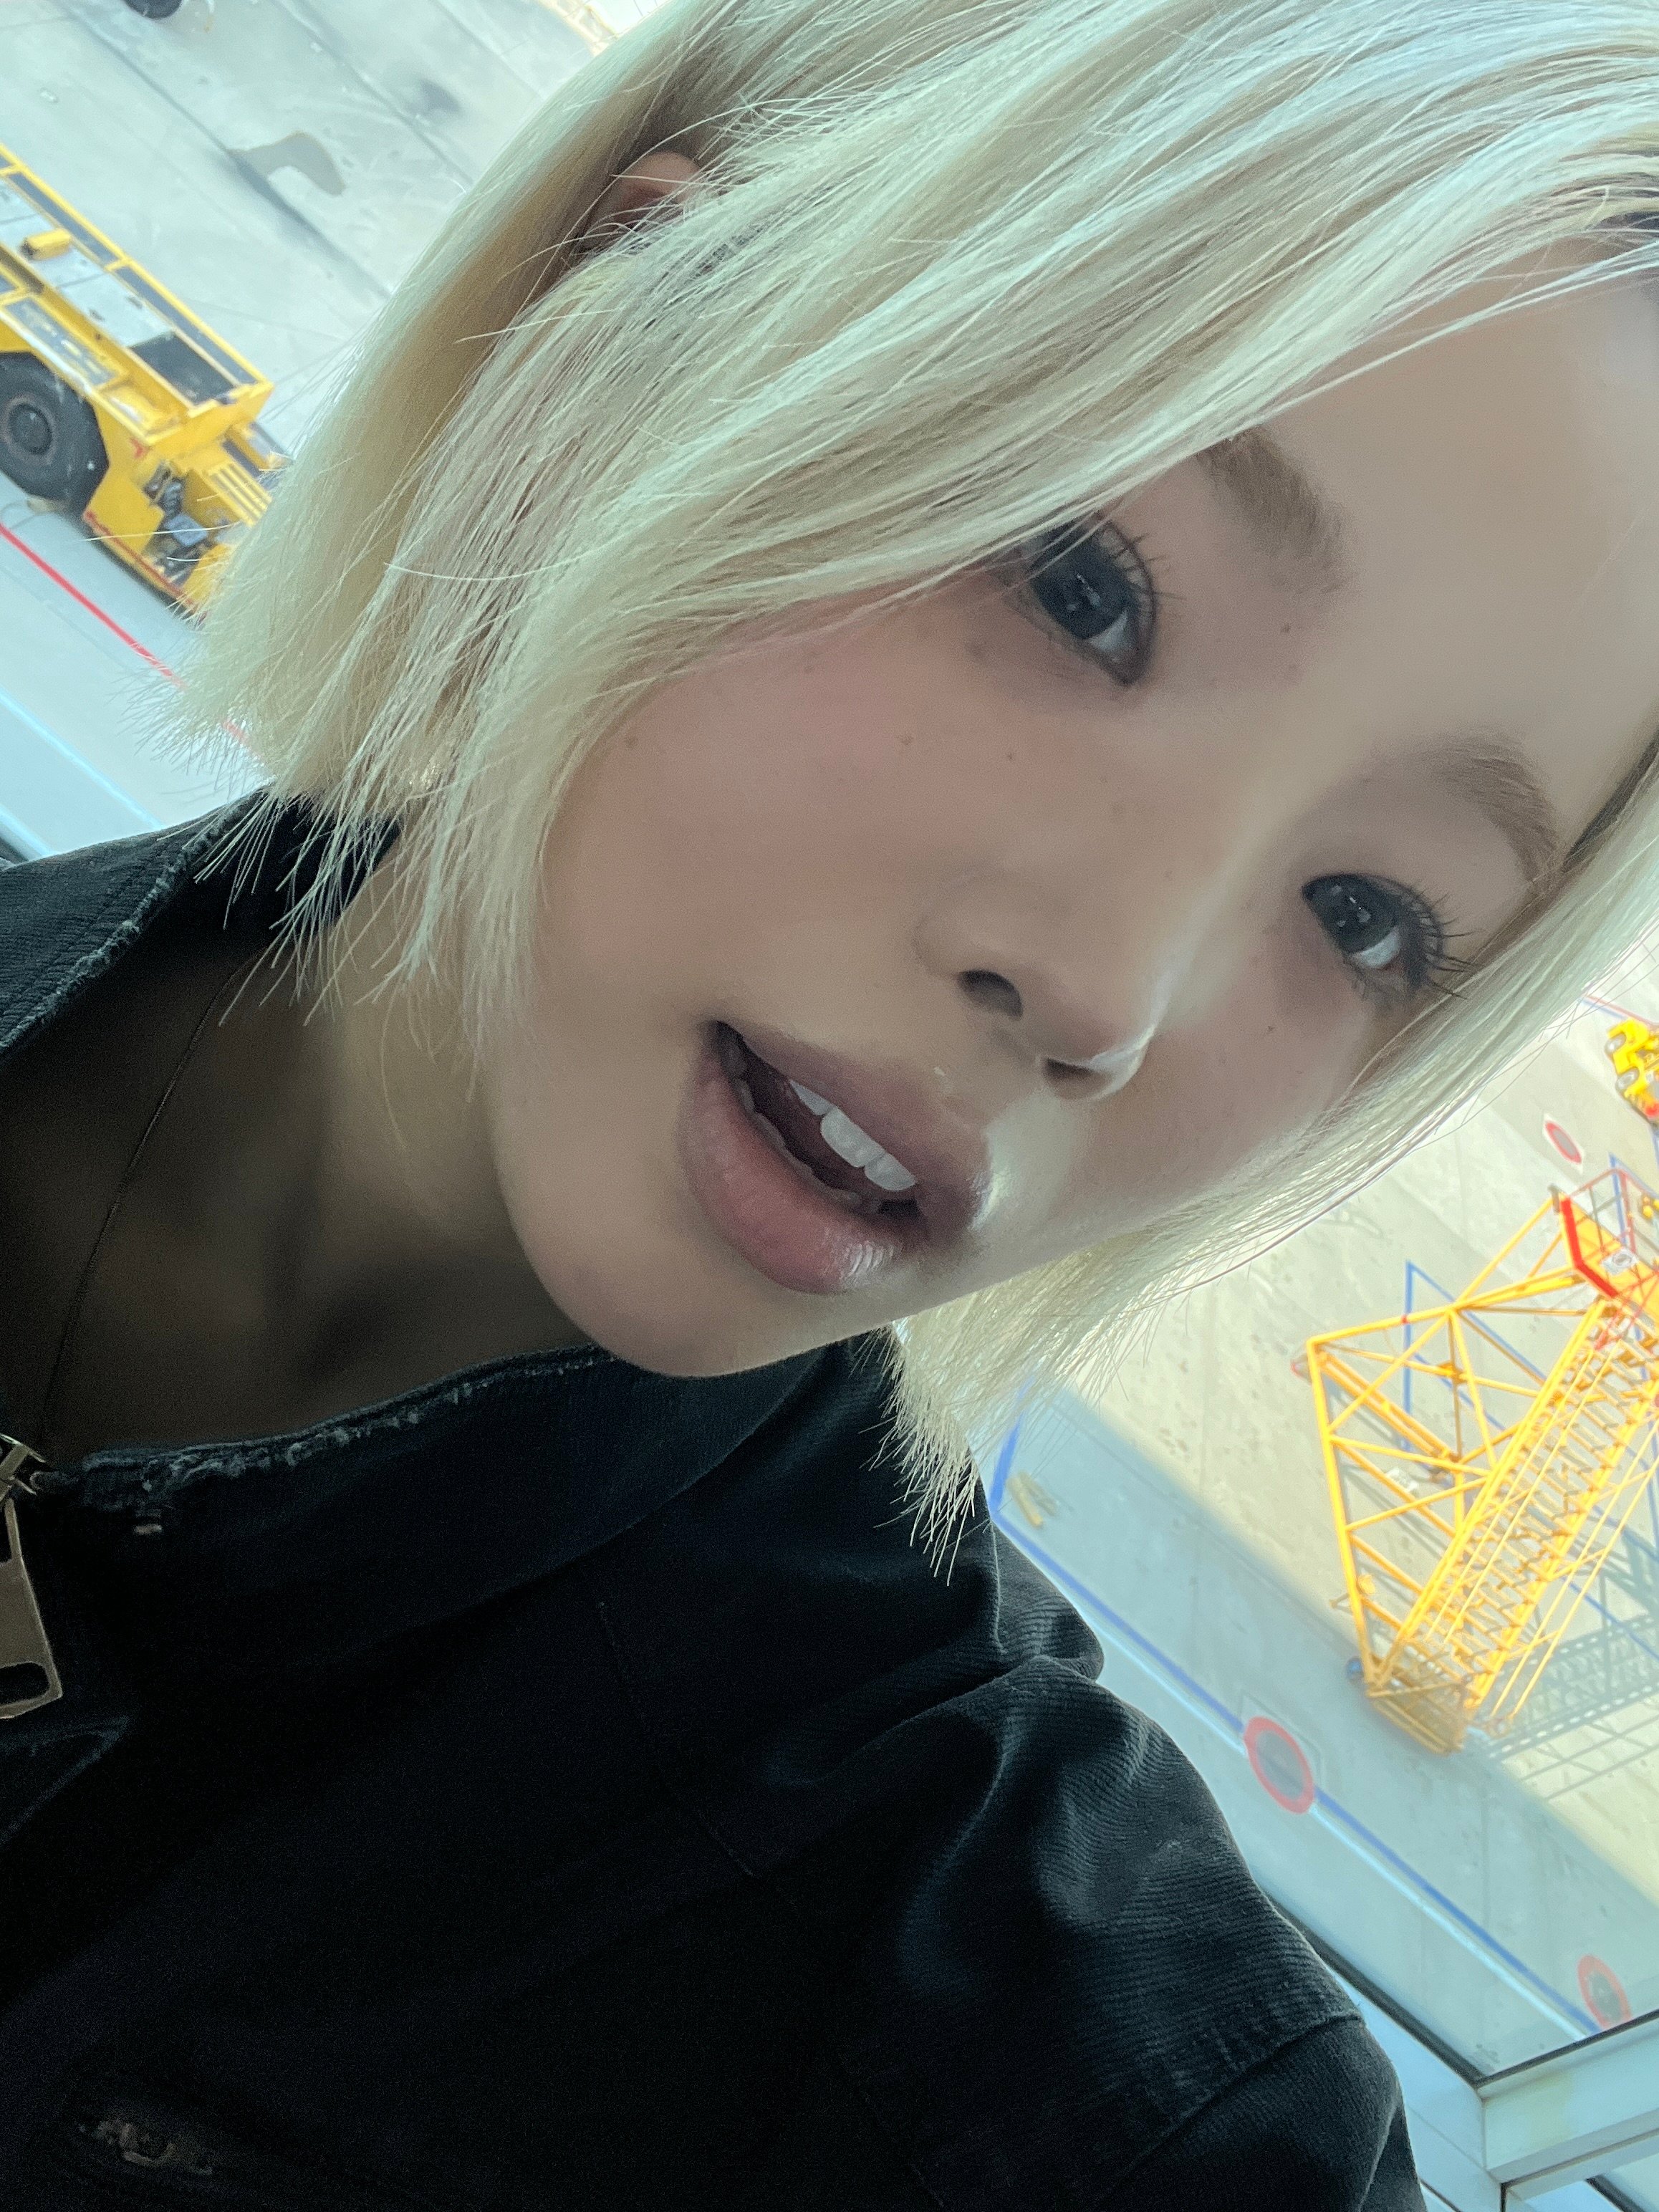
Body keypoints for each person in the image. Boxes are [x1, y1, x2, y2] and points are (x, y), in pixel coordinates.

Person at [1, 0, 1656, 2201]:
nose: (1106, 994)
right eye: (1082, 588)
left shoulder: (1032, 2065)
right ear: (615, 344)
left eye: (1365, 915)